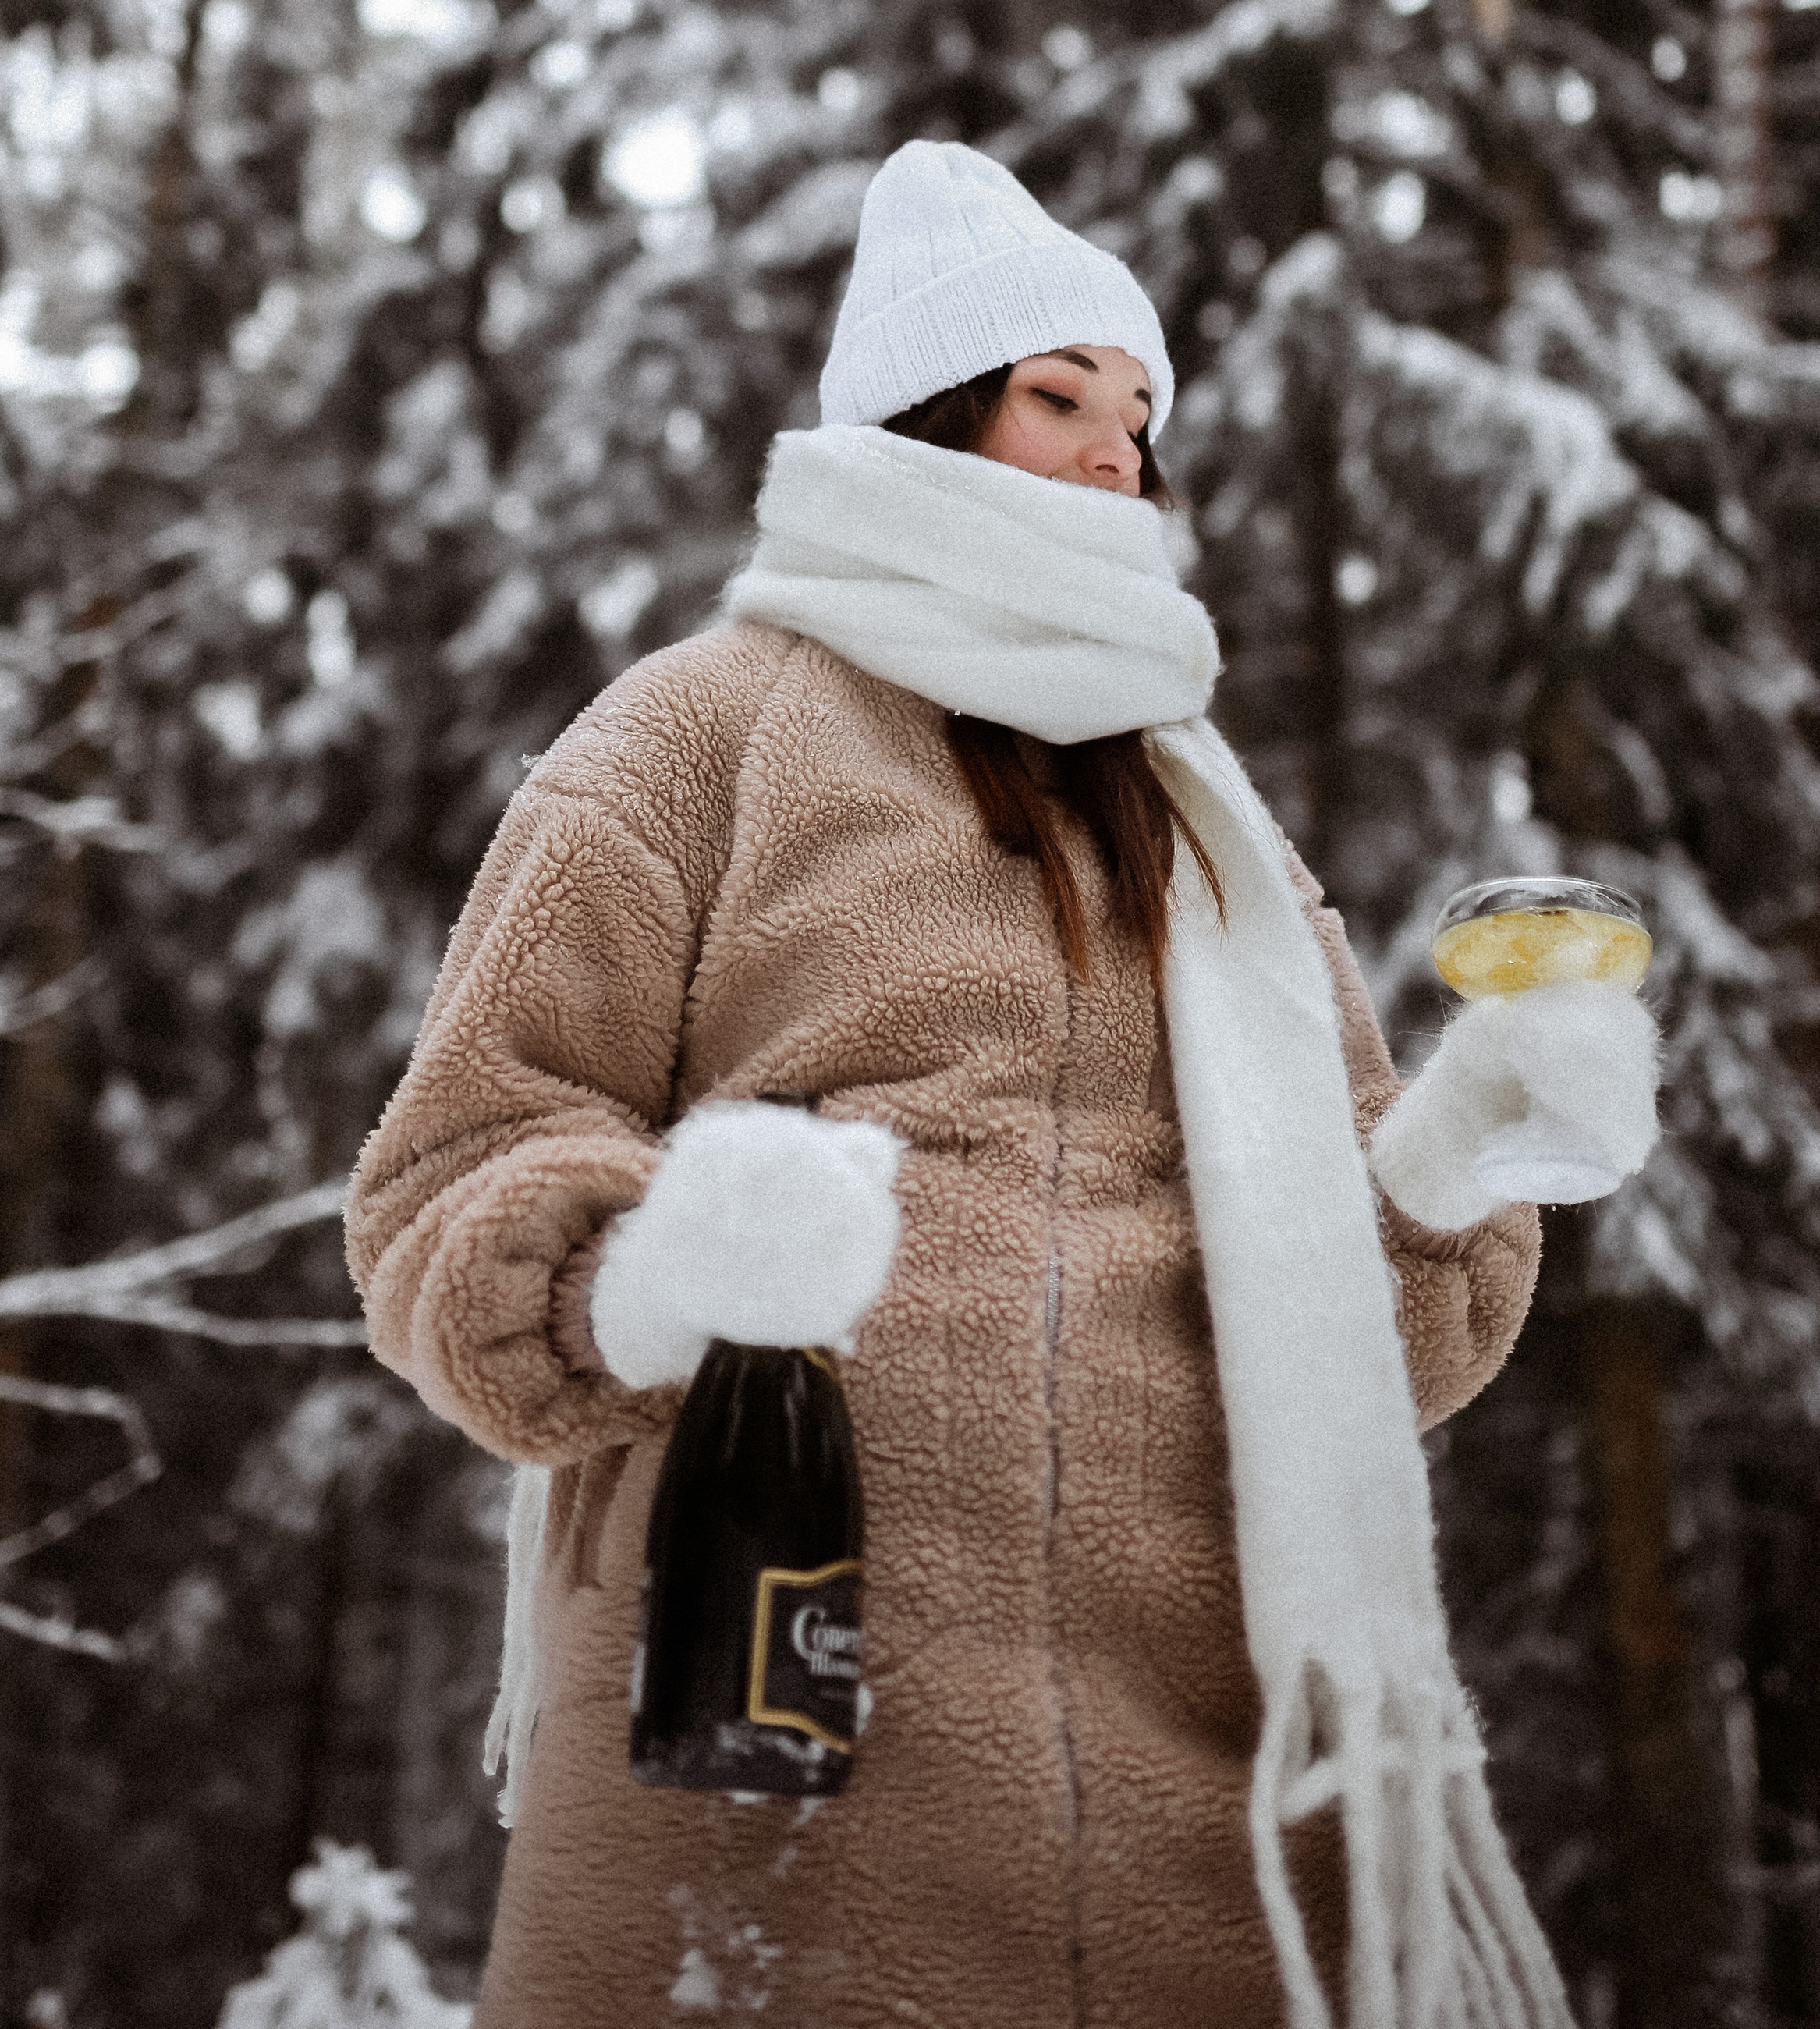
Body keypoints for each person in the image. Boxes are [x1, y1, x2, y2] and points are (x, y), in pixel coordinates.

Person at [346, 143, 1659, 2029]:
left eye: (1136, 410)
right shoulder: (690, 732)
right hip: (775, 1677)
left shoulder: (1202, 818)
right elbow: (451, 1171)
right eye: (1060, 395)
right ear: (918, 410)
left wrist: (1460, 1156)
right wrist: (652, 1263)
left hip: (1209, 1738)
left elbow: (1370, 1332)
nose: (1115, 446)